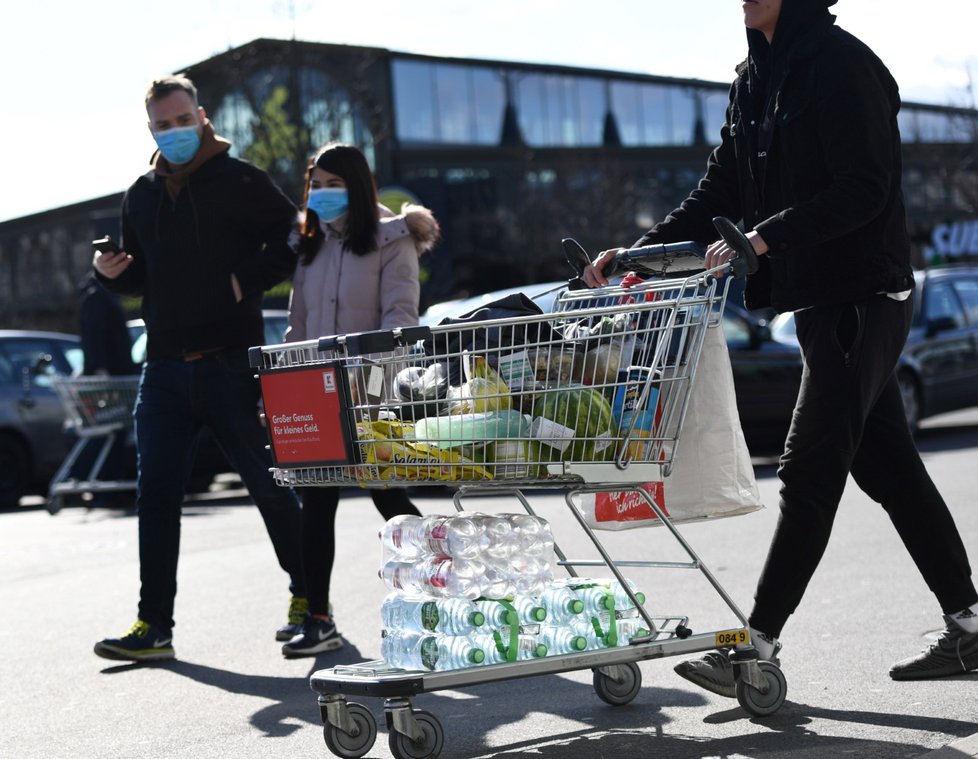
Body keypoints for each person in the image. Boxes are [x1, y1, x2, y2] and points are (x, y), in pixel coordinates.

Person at [584, 0, 978, 691]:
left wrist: (767, 236)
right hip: (819, 303)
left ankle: (757, 645)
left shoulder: (843, 65)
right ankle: (971, 628)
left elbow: (865, 187)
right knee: (888, 467)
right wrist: (638, 255)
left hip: (862, 294)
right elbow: (720, 191)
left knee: (806, 470)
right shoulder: (752, 81)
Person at [91, 74, 307, 662]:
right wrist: (112, 276)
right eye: (164, 124)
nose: (175, 131)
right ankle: (153, 624)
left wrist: (246, 282)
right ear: (152, 128)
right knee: (155, 497)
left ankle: (312, 604)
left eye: (183, 119)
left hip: (229, 363)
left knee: (267, 485)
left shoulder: (241, 181)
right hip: (162, 369)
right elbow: (141, 277)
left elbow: (297, 233)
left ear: (202, 116)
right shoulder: (140, 192)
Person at [280, 142, 440, 657]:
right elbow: (298, 324)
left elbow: (401, 314)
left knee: (387, 495)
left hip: (369, 388)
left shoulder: (393, 239)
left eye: (335, 184)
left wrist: (369, 371)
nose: (323, 194)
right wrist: (285, 383)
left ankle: (446, 580)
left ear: (358, 185)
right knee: (315, 501)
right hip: (313, 389)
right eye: (316, 185)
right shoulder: (309, 244)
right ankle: (318, 617)